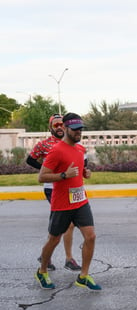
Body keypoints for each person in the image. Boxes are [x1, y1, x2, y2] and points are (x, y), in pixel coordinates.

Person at [35, 112, 101, 291]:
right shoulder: (56, 150)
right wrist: (64, 175)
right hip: (62, 202)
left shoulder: (80, 149)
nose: (79, 132)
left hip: (80, 200)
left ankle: (84, 276)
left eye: (80, 129)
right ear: (64, 128)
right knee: (54, 239)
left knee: (91, 236)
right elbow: (42, 176)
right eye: (75, 129)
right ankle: (42, 271)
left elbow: (78, 171)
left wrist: (84, 173)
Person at [27, 114, 81, 272]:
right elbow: (30, 160)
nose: (58, 128)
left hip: (71, 188)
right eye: (55, 125)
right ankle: (69, 259)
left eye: (61, 124)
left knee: (58, 226)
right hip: (53, 188)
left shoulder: (72, 143)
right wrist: (46, 170)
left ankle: (46, 256)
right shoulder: (44, 144)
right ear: (50, 127)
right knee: (68, 224)